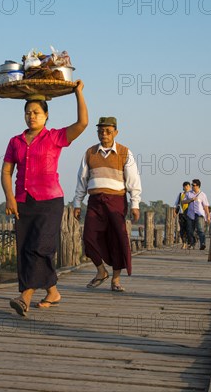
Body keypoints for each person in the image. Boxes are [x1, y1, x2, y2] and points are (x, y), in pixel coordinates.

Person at [2, 80, 88, 316]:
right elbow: (7, 171)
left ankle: (25, 297)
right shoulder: (15, 142)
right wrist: (10, 197)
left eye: (36, 112)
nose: (31, 116)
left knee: (40, 247)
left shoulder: (55, 137)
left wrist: (78, 93)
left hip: (50, 201)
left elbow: (82, 123)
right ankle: (53, 291)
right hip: (22, 202)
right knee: (26, 248)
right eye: (28, 113)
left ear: (46, 115)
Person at [73, 116, 142, 292]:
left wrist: (135, 204)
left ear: (115, 133)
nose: (104, 134)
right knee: (88, 237)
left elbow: (133, 180)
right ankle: (101, 271)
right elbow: (82, 180)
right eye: (101, 131)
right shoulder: (90, 153)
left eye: (108, 131)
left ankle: (116, 280)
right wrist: (77, 203)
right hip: (95, 201)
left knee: (117, 239)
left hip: (116, 201)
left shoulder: (125, 152)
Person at [181, 179, 211, 250]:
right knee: (190, 230)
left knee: (200, 229)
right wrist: (191, 200)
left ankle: (202, 243)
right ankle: (192, 243)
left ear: (198, 186)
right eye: (192, 185)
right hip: (190, 214)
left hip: (199, 214)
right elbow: (183, 202)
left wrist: (208, 216)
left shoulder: (203, 195)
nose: (192, 186)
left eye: (194, 185)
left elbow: (206, 206)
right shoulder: (188, 193)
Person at [173, 181, 191, 248]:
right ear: (183, 187)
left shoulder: (192, 194)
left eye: (187, 186)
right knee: (182, 229)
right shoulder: (181, 194)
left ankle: (190, 243)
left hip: (190, 214)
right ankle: (184, 243)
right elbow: (176, 204)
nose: (186, 187)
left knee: (189, 229)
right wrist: (175, 212)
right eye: (185, 186)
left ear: (190, 187)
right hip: (181, 213)